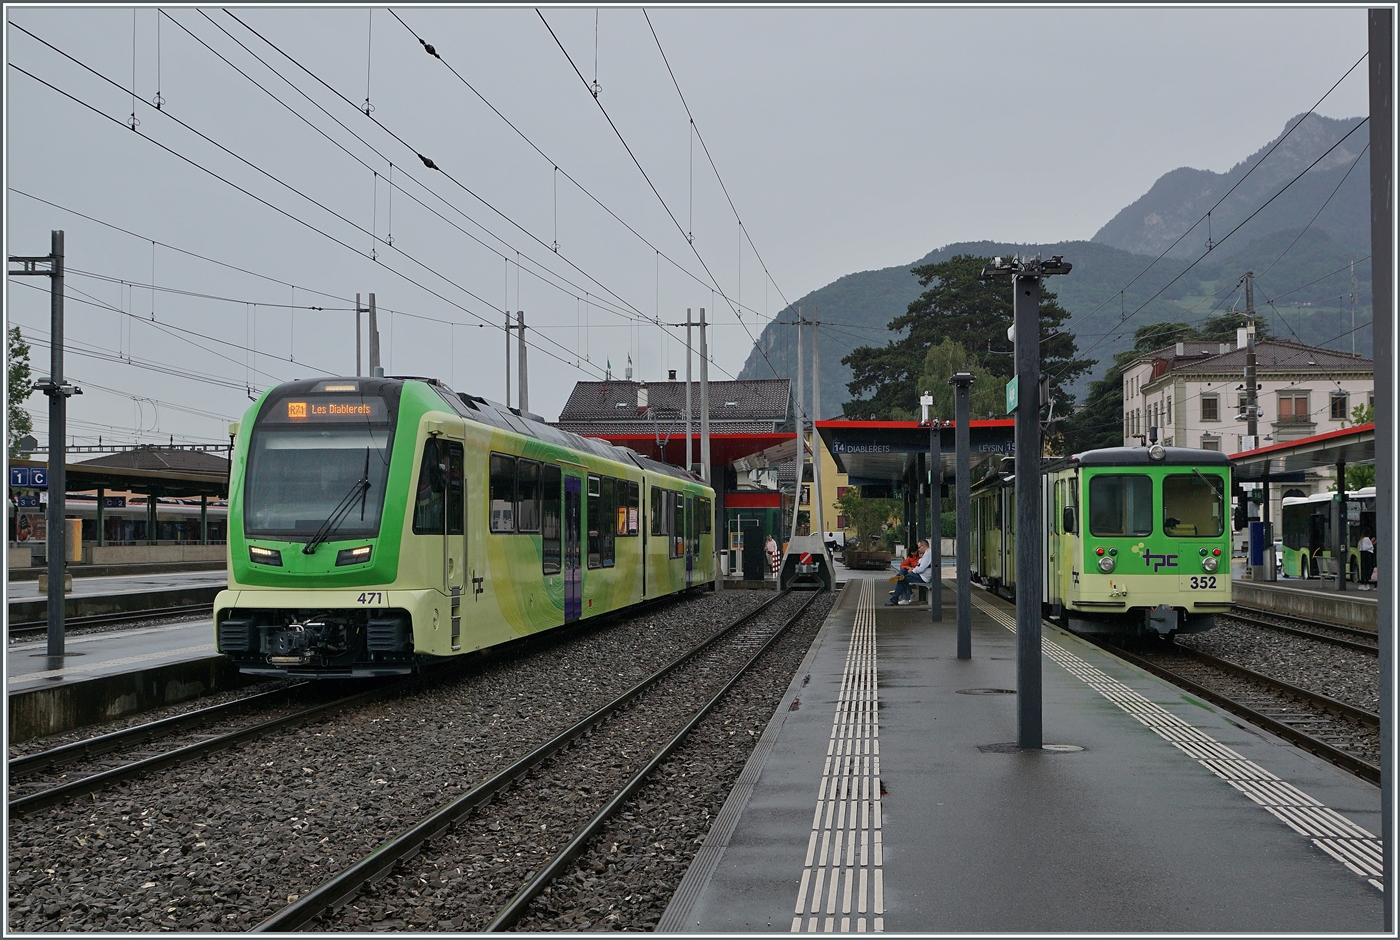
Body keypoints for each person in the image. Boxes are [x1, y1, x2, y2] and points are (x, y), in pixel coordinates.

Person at [887, 539, 931, 606]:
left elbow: (921, 568)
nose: (918, 549)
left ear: (923, 546)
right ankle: (900, 595)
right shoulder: (928, 553)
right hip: (922, 575)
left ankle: (896, 599)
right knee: (903, 574)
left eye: (919, 547)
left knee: (902, 579)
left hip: (923, 577)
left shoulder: (928, 555)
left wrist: (912, 571)